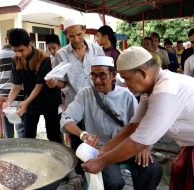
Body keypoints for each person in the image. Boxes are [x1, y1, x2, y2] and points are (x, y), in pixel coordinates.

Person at [82, 46, 194, 190]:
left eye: (127, 79)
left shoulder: (165, 91)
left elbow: (140, 142)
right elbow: (133, 126)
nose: (126, 85)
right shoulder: (152, 88)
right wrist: (102, 150)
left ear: (142, 73)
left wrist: (101, 162)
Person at [61, 56, 162, 190]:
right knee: (113, 181)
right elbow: (66, 119)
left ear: (113, 75)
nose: (97, 80)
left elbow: (140, 124)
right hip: (100, 150)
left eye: (102, 75)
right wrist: (83, 134)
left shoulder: (126, 95)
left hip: (126, 146)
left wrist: (143, 147)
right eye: (93, 75)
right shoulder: (85, 94)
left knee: (152, 169)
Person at [46, 17, 104, 174]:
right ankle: (81, 175)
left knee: (97, 140)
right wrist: (54, 84)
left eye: (79, 34)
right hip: (75, 105)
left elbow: (104, 74)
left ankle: (99, 172)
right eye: (72, 36)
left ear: (84, 29)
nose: (76, 39)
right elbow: (62, 82)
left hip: (98, 104)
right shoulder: (61, 55)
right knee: (78, 143)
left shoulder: (97, 50)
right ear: (66, 35)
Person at [3, 28, 62, 143]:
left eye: (21, 50)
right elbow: (17, 85)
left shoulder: (43, 57)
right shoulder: (15, 60)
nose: (19, 54)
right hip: (31, 101)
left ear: (29, 44)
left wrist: (26, 102)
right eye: (15, 51)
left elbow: (39, 85)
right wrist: (8, 102)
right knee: (28, 135)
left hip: (49, 100)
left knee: (53, 135)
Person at [0, 29, 25, 138]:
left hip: (4, 97)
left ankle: (9, 150)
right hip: (20, 96)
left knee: (7, 131)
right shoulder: (22, 54)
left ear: (6, 39)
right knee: (21, 129)